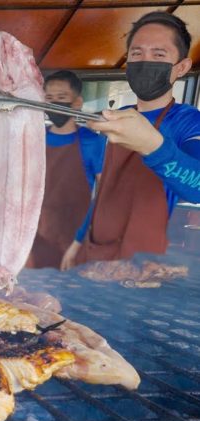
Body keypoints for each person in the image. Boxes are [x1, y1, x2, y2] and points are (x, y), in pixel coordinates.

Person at [60, 12, 200, 269]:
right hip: (97, 254)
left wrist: (153, 146)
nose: (145, 61)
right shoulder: (118, 115)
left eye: (158, 55)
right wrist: (78, 242)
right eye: (137, 54)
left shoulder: (189, 122)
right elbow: (105, 191)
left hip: (145, 262)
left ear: (181, 67)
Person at [26, 71, 106, 269]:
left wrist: (80, 241)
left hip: (74, 238)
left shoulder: (93, 142)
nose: (54, 103)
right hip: (32, 237)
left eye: (61, 98)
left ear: (77, 103)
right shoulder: (33, 139)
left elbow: (105, 195)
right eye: (49, 98)